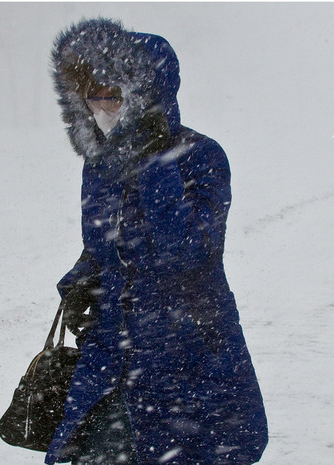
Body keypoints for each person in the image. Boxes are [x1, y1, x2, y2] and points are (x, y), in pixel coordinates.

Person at [46, 18, 268, 465]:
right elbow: (106, 243)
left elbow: (185, 249)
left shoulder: (201, 156)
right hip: (114, 351)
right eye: (94, 96)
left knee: (189, 453)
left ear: (146, 95)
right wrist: (81, 281)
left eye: (115, 94)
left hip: (187, 348)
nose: (103, 107)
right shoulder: (99, 163)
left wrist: (152, 159)